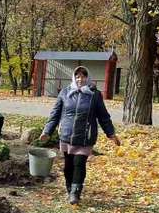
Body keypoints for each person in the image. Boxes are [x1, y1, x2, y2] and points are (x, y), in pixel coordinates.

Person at [40, 66, 120, 205]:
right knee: (68, 166)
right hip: (66, 135)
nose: (80, 79)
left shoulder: (95, 95)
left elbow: (103, 116)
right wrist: (47, 131)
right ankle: (69, 188)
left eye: (83, 76)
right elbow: (55, 114)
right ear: (74, 77)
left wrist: (111, 134)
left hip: (85, 137)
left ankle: (76, 192)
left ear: (87, 78)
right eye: (77, 76)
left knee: (79, 163)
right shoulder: (65, 92)